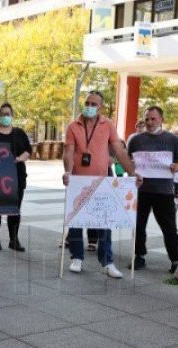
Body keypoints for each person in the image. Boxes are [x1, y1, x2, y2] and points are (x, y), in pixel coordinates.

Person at [63, 91, 135, 278]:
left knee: (105, 222)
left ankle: (107, 262)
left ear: (100, 107)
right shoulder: (73, 126)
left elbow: (119, 150)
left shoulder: (108, 124)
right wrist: (68, 171)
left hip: (102, 181)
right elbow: (69, 151)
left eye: (94, 103)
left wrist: (132, 173)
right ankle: (77, 257)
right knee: (76, 221)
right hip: (79, 181)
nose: (89, 106)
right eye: (87, 102)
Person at [129, 106, 178, 273]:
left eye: (153, 119)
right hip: (141, 190)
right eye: (147, 119)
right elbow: (127, 160)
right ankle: (139, 256)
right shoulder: (136, 140)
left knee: (169, 227)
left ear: (161, 119)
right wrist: (131, 168)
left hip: (164, 191)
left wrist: (177, 166)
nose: (150, 122)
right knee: (138, 225)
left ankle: (176, 261)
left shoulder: (172, 140)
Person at [0, 102, 31, 252]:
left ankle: (14, 239)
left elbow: (27, 151)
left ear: (12, 115)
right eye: (3, 114)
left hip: (17, 176)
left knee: (15, 209)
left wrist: (18, 159)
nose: (6, 117)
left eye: (8, 114)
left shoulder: (19, 133)